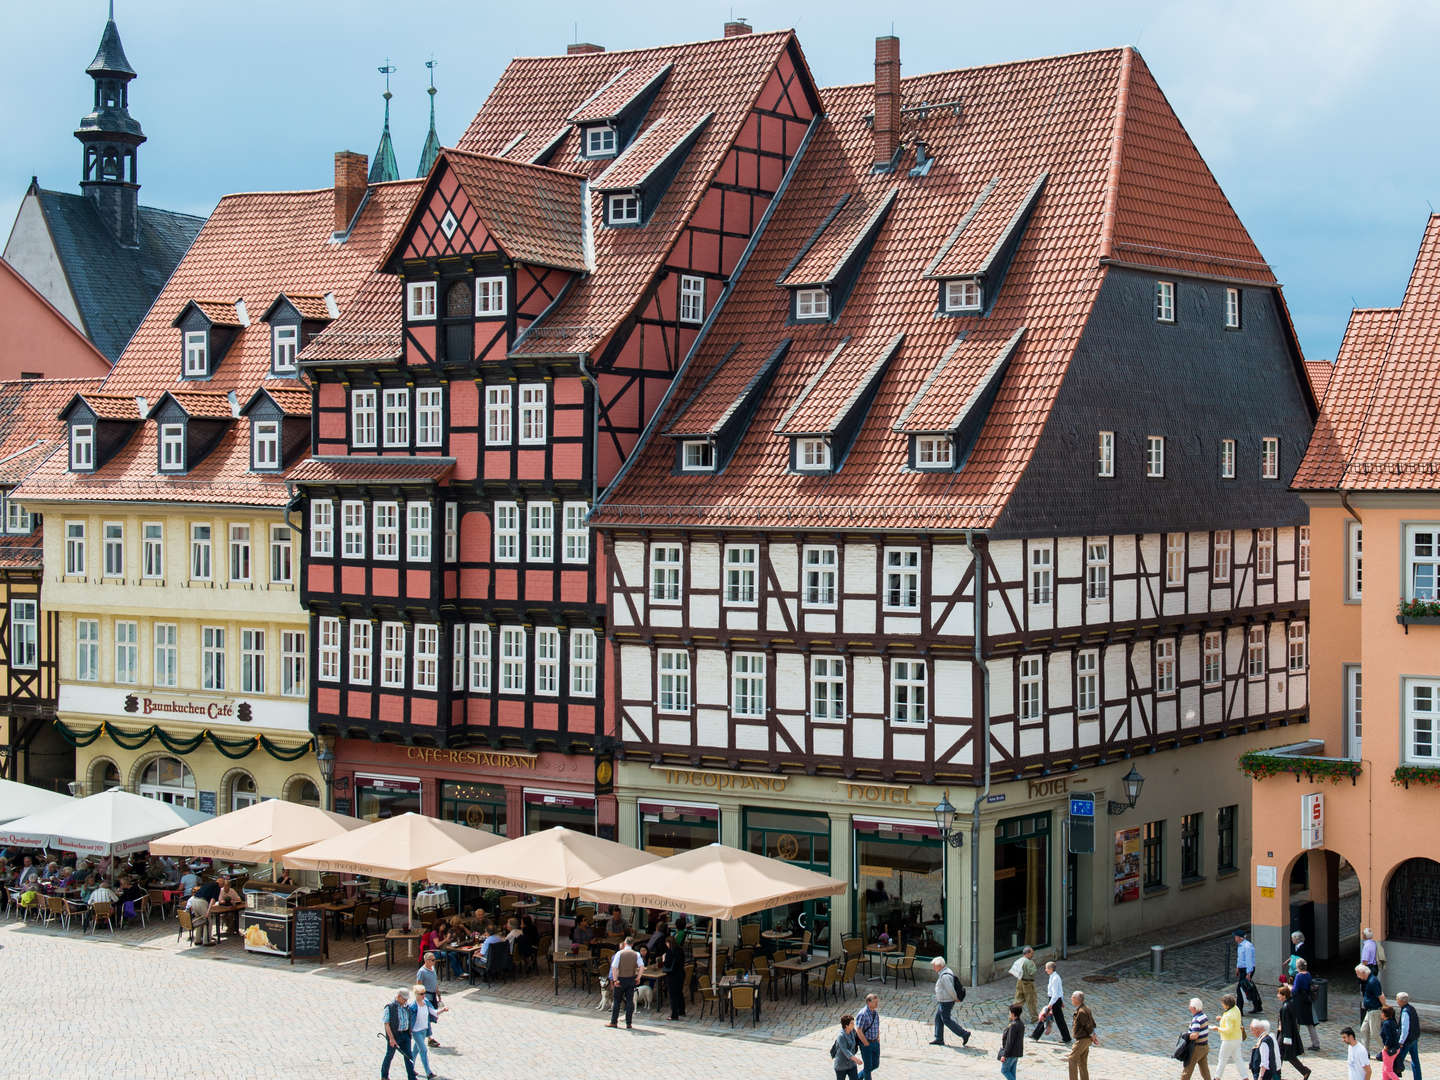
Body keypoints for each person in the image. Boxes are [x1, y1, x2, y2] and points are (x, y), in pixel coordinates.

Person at [928, 955, 971, 1047]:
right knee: (938, 1018)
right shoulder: (945, 971)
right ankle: (939, 1038)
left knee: (946, 1020)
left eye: (934, 966)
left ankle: (964, 1034)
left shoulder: (944, 976)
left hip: (946, 1001)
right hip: (944, 1000)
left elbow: (950, 989)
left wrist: (955, 998)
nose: (933, 967)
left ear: (940, 966)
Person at [606, 936, 642, 1030]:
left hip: (620, 979)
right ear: (632, 944)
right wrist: (638, 977)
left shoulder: (619, 953)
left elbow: (614, 967)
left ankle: (614, 1022)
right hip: (631, 979)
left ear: (625, 943)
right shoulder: (636, 954)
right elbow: (641, 966)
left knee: (617, 1000)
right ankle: (628, 1023)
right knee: (630, 1001)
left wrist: (615, 980)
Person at [1277, 984, 1312, 1080]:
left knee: (1279, 1055)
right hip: (1286, 1034)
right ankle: (1304, 1071)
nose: (1278, 996)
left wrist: (1286, 1038)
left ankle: (1276, 1076)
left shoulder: (1286, 1007)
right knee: (1288, 1056)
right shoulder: (1290, 1003)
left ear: (1284, 995)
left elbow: (1287, 1023)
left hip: (1284, 1035)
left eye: (1279, 994)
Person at [380, 988, 416, 1080]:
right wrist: (391, 1038)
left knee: (408, 1056)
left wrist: (409, 1032)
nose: (406, 1001)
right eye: (404, 999)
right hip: (395, 1035)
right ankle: (384, 1076)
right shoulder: (390, 1007)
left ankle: (412, 1077)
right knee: (389, 1055)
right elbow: (386, 1024)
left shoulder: (406, 1006)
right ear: (399, 996)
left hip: (405, 1035)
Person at [1209, 993, 1245, 1079]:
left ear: (1227, 1005)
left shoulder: (1229, 1015)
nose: (1222, 1005)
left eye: (1223, 1003)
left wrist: (1217, 1028)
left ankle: (1216, 1077)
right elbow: (1233, 1021)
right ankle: (1245, 1077)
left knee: (1222, 1060)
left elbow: (1228, 1030)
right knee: (1238, 1059)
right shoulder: (1236, 1009)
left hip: (1229, 1040)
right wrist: (1222, 1018)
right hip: (1237, 1038)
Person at [409, 982, 440, 1080]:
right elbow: (409, 1021)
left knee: (415, 1051)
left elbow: (433, 1012)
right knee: (423, 1050)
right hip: (416, 1031)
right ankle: (428, 1073)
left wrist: (443, 1010)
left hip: (424, 1030)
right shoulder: (412, 1007)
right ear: (416, 995)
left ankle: (410, 1068)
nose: (424, 995)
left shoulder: (426, 1002)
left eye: (424, 993)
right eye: (421, 994)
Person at [1066, 990, 1097, 1080]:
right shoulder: (1085, 1009)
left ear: (1076, 999)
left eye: (1072, 997)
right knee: (1082, 1062)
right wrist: (1094, 1035)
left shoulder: (1082, 1012)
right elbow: (1093, 1024)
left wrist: (1093, 1035)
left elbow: (1089, 1025)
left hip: (1083, 1039)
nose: (1071, 998)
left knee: (1072, 1059)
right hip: (1087, 1039)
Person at [1358, 963, 1387, 1054]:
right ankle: (1365, 1053)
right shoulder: (1368, 980)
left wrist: (1385, 1007)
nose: (1357, 976)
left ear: (1363, 973)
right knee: (1363, 1030)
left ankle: (1388, 1050)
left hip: (1374, 1010)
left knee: (1375, 1034)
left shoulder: (1373, 981)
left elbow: (1380, 996)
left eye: (1358, 974)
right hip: (1369, 1010)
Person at [1293, 959, 1321, 1050]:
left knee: (1297, 1022)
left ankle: (1296, 1043)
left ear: (1298, 967)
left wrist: (1289, 987)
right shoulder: (1308, 974)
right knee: (1310, 1023)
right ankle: (1316, 1043)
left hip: (1299, 1001)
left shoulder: (1298, 976)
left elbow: (1295, 990)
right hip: (1307, 1000)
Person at [414, 953, 442, 1046]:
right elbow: (418, 985)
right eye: (432, 960)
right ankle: (429, 1038)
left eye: (434, 960)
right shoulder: (422, 972)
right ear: (426, 961)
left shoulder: (433, 969)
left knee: (430, 1017)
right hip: (426, 997)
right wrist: (421, 998)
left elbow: (434, 981)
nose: (434, 961)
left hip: (433, 995)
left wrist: (438, 992)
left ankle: (425, 1034)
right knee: (428, 1017)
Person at [1183, 997, 1212, 1080]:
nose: (1189, 1008)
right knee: (1205, 1071)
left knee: (1187, 1070)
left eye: (1190, 1006)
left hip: (1196, 1048)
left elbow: (1195, 1035)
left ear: (1193, 1008)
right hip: (1205, 1047)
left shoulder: (1196, 1020)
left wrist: (1186, 1035)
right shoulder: (1204, 1016)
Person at [1042, 961, 1071, 1043]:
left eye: (1047, 968)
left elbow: (1055, 993)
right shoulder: (1053, 976)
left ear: (1051, 969)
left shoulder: (1055, 978)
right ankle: (1066, 1037)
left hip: (1054, 1000)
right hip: (1056, 1000)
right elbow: (1060, 991)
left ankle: (1066, 1038)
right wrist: (1061, 1000)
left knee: (1056, 1019)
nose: (1045, 970)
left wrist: (1050, 1004)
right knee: (1058, 1019)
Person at [1396, 991, 1422, 1080]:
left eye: (1397, 999)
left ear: (1401, 1001)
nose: (1396, 1001)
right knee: (1415, 1061)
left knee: (1398, 1061)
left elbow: (1405, 1028)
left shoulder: (1405, 1012)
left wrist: (1401, 1042)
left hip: (1407, 1041)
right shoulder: (1412, 1008)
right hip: (1414, 1039)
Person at [1235, 930, 1262, 1014]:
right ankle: (1257, 1006)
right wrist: (1238, 967)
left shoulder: (1247, 946)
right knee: (1250, 988)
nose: (1234, 938)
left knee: (1240, 989)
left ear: (1240, 938)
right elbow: (1240, 958)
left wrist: (1249, 973)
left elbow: (1249, 960)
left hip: (1247, 969)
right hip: (1243, 969)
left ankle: (1239, 1010)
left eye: (1235, 936)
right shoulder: (1240, 945)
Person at [855, 993, 881, 1079]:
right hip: (866, 1044)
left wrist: (878, 1038)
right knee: (868, 1067)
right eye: (875, 1002)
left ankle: (857, 1078)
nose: (877, 1004)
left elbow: (877, 1026)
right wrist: (866, 1043)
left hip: (875, 1043)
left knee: (875, 1065)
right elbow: (858, 1030)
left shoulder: (875, 1013)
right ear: (869, 1003)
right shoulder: (863, 1014)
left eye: (877, 1002)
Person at [662, 934, 687, 1022]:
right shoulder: (680, 950)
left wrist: (664, 959)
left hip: (673, 975)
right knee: (679, 993)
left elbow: (667, 964)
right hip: (681, 974)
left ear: (668, 943)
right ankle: (682, 1010)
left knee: (673, 995)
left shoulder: (670, 952)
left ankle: (674, 1015)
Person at [998, 1003, 1026, 1080]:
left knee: (1004, 1071)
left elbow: (1009, 1042)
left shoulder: (1013, 1025)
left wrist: (1004, 1055)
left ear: (1013, 1014)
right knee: (1012, 1072)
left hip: (1010, 1053)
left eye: (1009, 1012)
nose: (1009, 1014)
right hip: (1017, 1053)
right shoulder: (1021, 1024)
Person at [1012, 946, 1039, 1023]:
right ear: (1027, 953)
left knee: (1018, 999)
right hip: (1028, 983)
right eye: (1032, 953)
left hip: (1019, 981)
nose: (1032, 954)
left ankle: (1012, 1015)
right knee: (1031, 1000)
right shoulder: (1029, 962)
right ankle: (1034, 1017)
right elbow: (1032, 972)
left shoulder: (1019, 960)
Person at [833, 1014, 864, 1080]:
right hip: (841, 1066)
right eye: (852, 1023)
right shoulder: (841, 1036)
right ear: (846, 1026)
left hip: (851, 1065)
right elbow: (846, 1051)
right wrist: (856, 1060)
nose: (853, 1024)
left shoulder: (852, 1031)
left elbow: (858, 1040)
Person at [1380, 1006, 1404, 1080]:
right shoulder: (1393, 1022)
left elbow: (1389, 1037)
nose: (1381, 1014)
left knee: (1388, 1070)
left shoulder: (1386, 1024)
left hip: (1389, 1050)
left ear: (1385, 1014)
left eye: (1382, 1012)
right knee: (1384, 1070)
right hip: (1396, 1048)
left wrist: (1386, 1047)